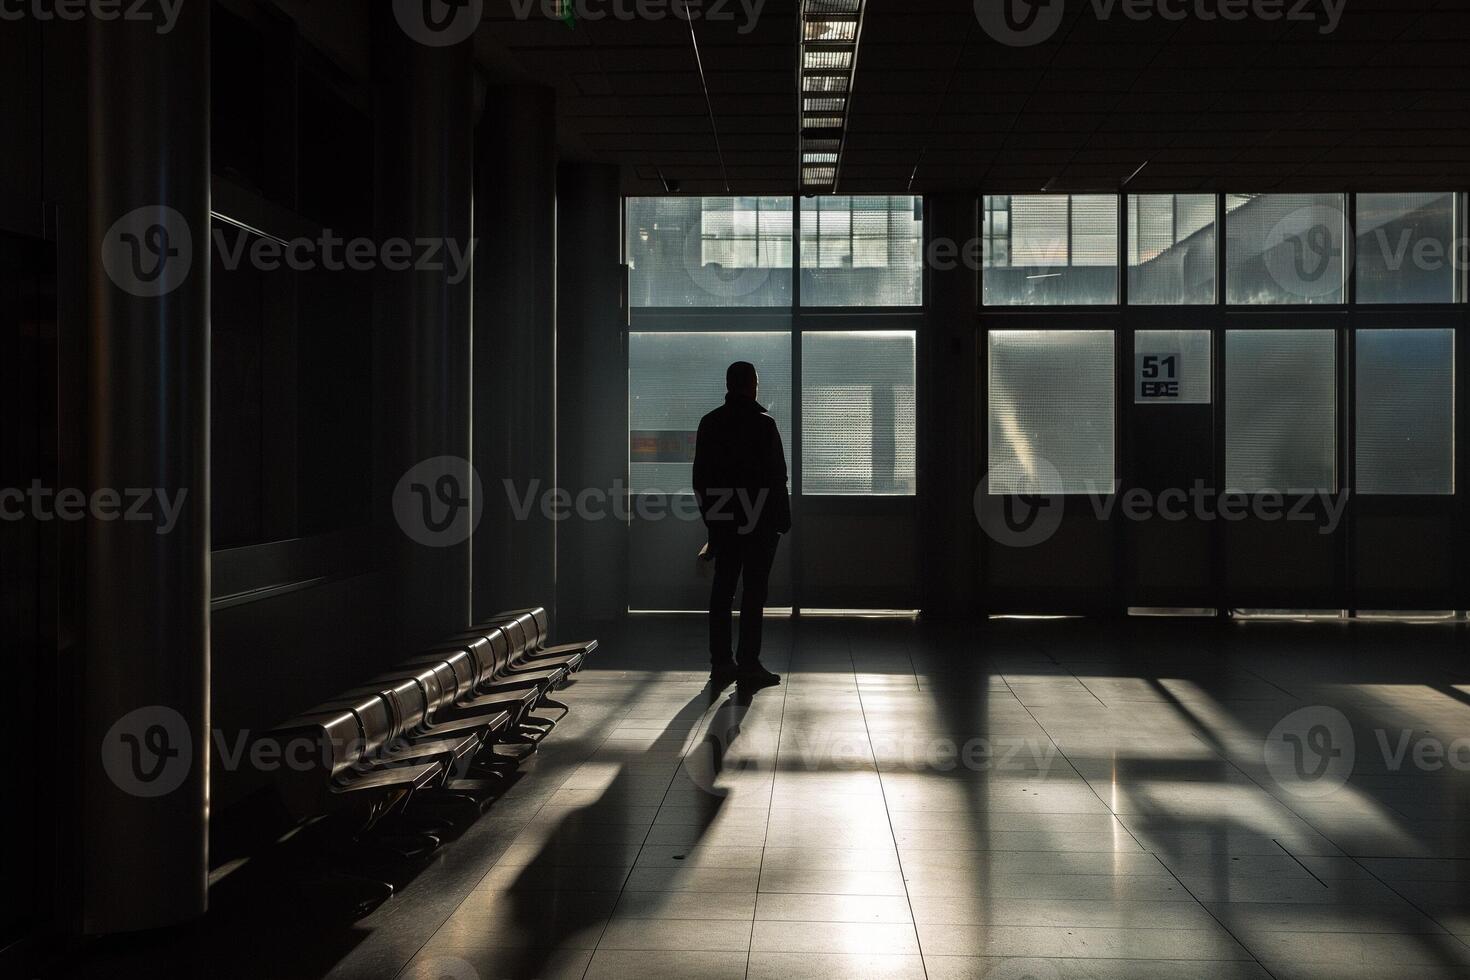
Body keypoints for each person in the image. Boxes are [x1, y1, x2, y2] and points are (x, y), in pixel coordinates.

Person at [692, 361, 791, 686]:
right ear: (752, 385)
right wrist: (780, 521)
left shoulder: (710, 423)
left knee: (723, 590)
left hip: (725, 521)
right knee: (753, 593)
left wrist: (714, 520)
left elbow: (701, 479)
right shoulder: (764, 425)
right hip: (760, 522)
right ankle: (749, 663)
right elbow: (777, 477)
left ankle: (721, 662)